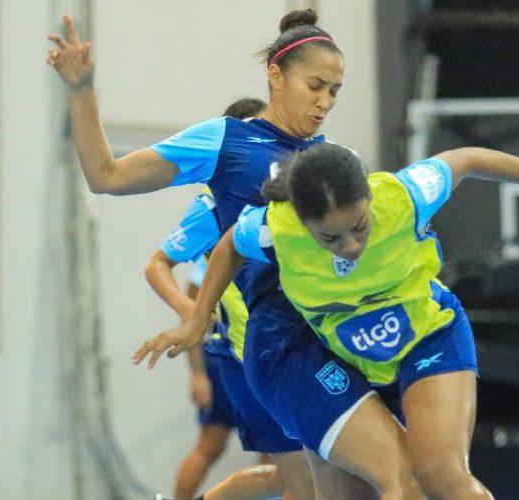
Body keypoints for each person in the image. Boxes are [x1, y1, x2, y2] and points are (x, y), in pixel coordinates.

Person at [133, 136, 519, 499]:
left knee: (441, 477)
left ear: (369, 197)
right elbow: (230, 245)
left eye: (359, 227)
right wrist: (198, 318)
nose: (350, 245)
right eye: (330, 238)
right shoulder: (277, 227)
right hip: (349, 357)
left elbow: (465, 158)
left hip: (429, 335)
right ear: (303, 221)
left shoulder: (404, 195)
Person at [47, 9, 370, 499]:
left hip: (333, 338)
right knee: (316, 484)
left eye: (335, 91)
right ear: (276, 76)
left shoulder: (334, 161)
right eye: (315, 86)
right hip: (271, 346)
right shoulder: (227, 140)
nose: (325, 102)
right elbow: (106, 176)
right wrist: (81, 90)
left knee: (326, 481)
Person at [146, 99, 281, 499]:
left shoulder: (280, 204)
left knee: (291, 469)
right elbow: (163, 268)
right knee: (229, 449)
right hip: (239, 356)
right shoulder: (214, 210)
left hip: (276, 350)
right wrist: (194, 332)